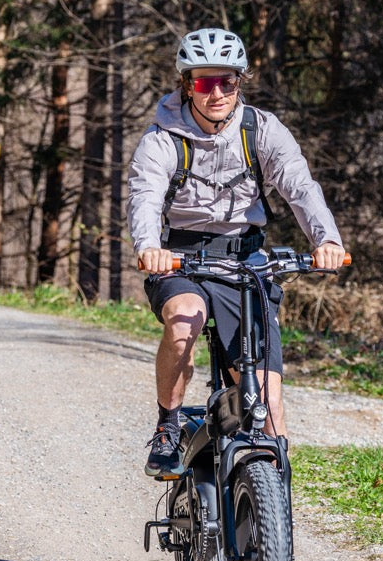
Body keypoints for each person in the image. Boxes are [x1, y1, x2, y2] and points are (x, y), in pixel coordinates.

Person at [126, 27, 347, 477]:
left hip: (245, 259)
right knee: (185, 317)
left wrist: (327, 240)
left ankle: (270, 522)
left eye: (227, 81)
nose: (217, 93)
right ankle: (168, 424)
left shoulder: (262, 129)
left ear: (239, 82)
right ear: (188, 84)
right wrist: (149, 247)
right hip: (180, 259)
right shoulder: (162, 139)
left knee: (269, 406)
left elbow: (299, 185)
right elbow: (145, 196)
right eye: (205, 82)